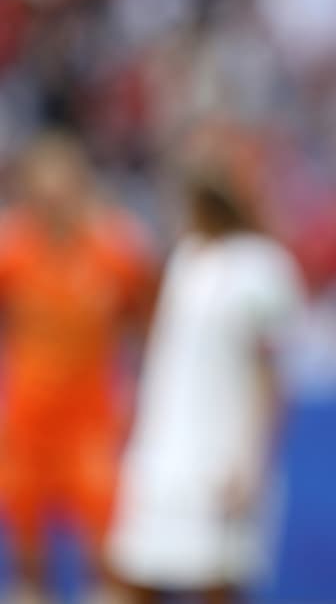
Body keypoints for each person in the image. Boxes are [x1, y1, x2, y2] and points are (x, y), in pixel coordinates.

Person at [106, 158, 306, 604]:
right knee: (137, 572)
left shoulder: (264, 268)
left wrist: (251, 458)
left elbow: (271, 375)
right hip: (162, 451)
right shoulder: (186, 259)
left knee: (217, 580)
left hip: (221, 453)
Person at [0, 131, 157, 604]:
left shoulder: (117, 252)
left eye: (63, 191)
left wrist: (138, 392)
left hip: (93, 422)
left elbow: (144, 326)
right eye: (42, 193)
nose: (53, 203)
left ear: (82, 189)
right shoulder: (11, 252)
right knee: (28, 568)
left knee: (106, 562)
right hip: (27, 421)